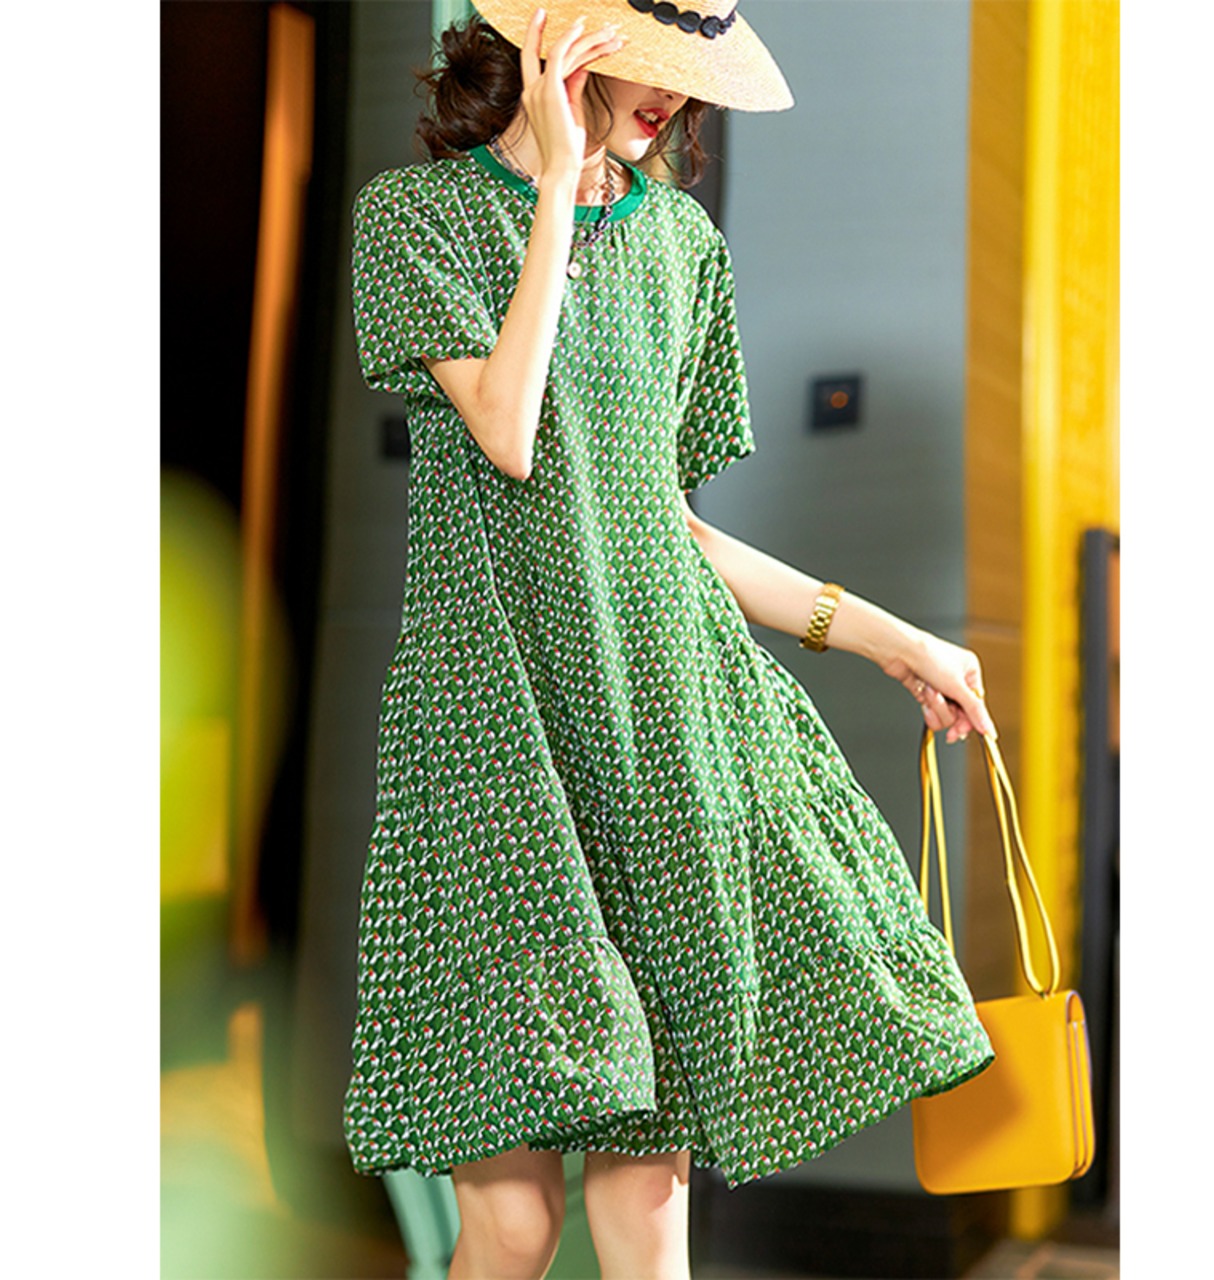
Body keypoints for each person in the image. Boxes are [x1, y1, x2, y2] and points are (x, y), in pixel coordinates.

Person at [342, 4, 998, 1277]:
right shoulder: (416, 217)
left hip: (658, 725)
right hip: (496, 735)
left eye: (691, 76)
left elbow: (665, 530)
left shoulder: (684, 247)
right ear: (561, 47)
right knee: (511, 1220)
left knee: (647, 1201)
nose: (674, 99)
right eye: (651, 64)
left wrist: (893, 640)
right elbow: (509, 434)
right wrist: (552, 190)